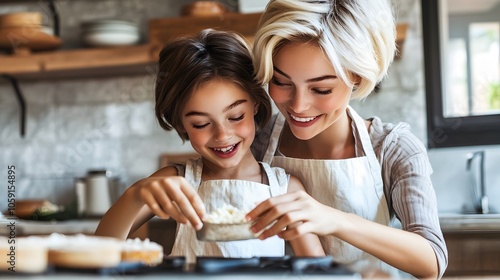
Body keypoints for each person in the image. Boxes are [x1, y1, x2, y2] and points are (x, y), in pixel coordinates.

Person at [243, 0, 448, 278]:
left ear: (357, 77)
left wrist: (335, 220)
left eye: (322, 89)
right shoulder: (257, 140)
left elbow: (432, 261)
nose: (299, 105)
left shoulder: (393, 149)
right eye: (281, 82)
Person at [94, 29, 324, 263]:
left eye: (235, 117)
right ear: (180, 123)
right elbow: (99, 249)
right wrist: (135, 196)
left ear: (255, 104)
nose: (222, 135)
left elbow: (320, 271)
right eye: (201, 124)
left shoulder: (284, 189)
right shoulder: (177, 183)